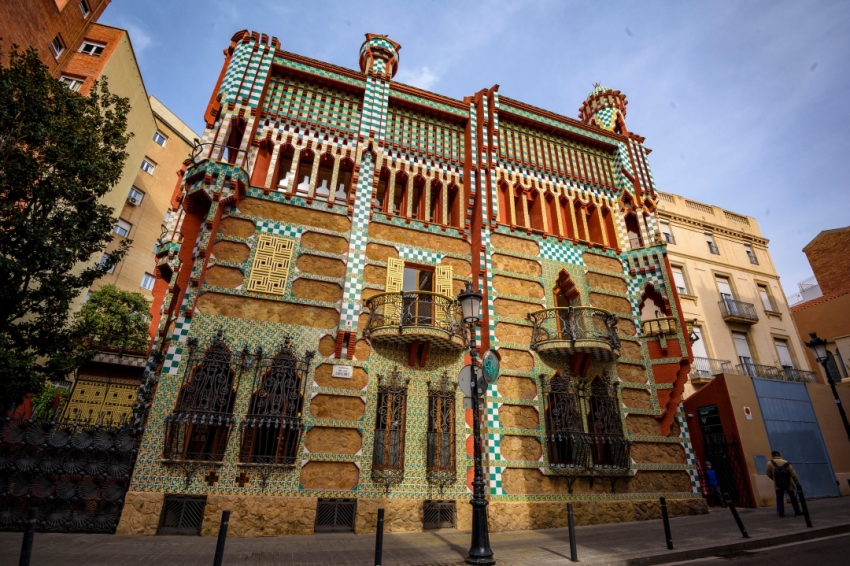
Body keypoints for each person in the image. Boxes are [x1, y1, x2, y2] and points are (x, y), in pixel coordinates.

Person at [766, 450, 802, 517]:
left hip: (778, 484)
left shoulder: (770, 463)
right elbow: (793, 473)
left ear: (773, 455)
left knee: (779, 497)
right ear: (779, 455)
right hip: (788, 483)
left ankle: (781, 512)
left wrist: (775, 479)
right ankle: (797, 511)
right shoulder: (786, 463)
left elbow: (768, 473)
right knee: (793, 497)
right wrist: (796, 481)